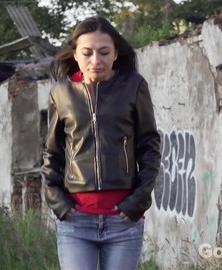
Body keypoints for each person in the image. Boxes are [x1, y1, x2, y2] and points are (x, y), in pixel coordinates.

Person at [41, 16, 161, 270]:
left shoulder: (134, 86)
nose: (96, 60)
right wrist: (58, 202)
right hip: (76, 221)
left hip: (123, 220)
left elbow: (149, 146)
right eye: (87, 53)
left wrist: (138, 200)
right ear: (75, 54)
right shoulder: (61, 93)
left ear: (116, 53)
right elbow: (52, 152)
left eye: (104, 52)